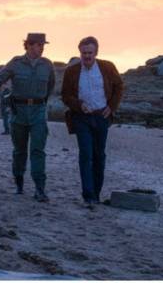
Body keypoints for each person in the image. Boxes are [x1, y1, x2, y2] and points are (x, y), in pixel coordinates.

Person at [0, 33, 56, 202]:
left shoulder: (47, 65)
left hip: (38, 111)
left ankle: (40, 189)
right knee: (20, 151)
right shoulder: (16, 64)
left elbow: (50, 86)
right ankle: (19, 183)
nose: (41, 48)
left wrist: (41, 104)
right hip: (19, 112)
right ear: (29, 45)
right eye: (38, 45)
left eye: (42, 45)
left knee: (38, 150)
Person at [61, 36, 124, 208]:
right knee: (86, 155)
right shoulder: (71, 71)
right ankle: (87, 195)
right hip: (81, 118)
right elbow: (65, 95)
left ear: (96, 52)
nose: (87, 56)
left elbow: (119, 87)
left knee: (99, 156)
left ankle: (96, 193)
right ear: (79, 52)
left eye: (90, 53)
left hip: (102, 117)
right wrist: (79, 105)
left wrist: (111, 107)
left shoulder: (108, 67)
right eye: (84, 53)